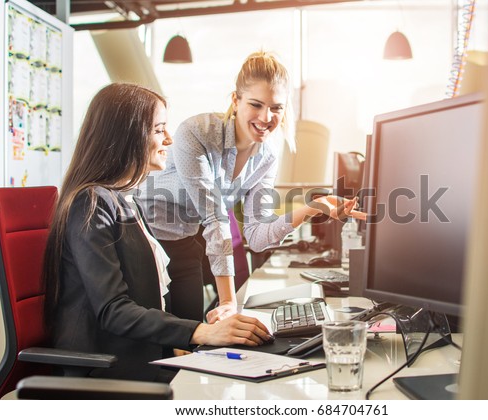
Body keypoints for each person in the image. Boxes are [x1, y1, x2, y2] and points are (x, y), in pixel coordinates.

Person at [42, 82, 271, 383]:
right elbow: (113, 310)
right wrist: (200, 332)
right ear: (128, 135)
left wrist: (187, 343)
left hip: (145, 356)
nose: (170, 139)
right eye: (159, 129)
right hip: (109, 369)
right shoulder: (92, 203)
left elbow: (148, 301)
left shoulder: (126, 199)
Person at [138, 51, 365, 325]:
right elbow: (215, 217)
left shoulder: (266, 156)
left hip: (188, 237)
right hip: (148, 234)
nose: (266, 117)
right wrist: (228, 301)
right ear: (236, 101)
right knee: (164, 334)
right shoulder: (196, 132)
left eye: (276, 108)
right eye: (256, 104)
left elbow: (257, 236)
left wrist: (310, 209)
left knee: (188, 329)